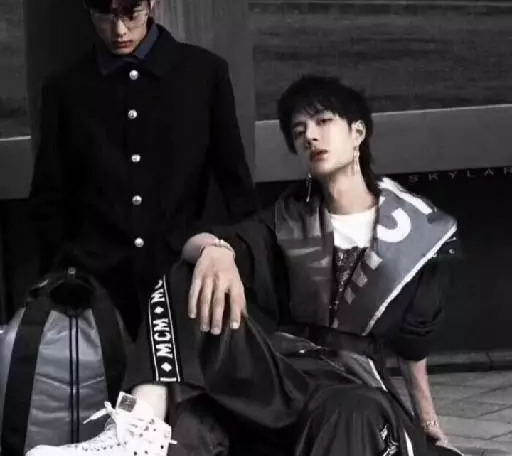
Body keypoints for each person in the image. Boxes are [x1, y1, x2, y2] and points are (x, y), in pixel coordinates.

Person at [27, 76, 463, 456]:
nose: (310, 137)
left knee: (349, 409)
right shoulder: (287, 219)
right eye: (299, 131)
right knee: (192, 273)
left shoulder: (418, 230)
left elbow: (413, 349)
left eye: (323, 121)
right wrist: (214, 250)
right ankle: (138, 426)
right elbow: (202, 243)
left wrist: (428, 424)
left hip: (356, 384)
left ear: (358, 132)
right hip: (288, 374)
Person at [29, 0, 257, 339]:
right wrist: (63, 275)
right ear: (87, 8)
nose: (119, 31)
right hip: (95, 293)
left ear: (154, 0)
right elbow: (50, 196)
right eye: (104, 16)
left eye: (130, 14)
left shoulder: (203, 75)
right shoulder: (66, 90)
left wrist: (229, 254)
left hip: (187, 280)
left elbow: (234, 185)